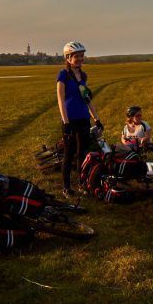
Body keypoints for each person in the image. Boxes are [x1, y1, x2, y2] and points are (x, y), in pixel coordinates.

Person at [57, 41, 103, 197]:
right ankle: (66, 187)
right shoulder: (63, 75)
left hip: (84, 118)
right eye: (76, 56)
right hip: (70, 120)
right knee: (69, 154)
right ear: (68, 58)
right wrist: (66, 122)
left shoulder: (83, 76)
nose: (80, 59)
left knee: (82, 153)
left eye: (82, 56)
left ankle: (82, 184)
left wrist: (96, 119)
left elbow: (86, 99)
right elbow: (60, 100)